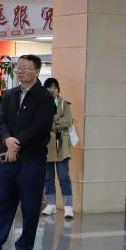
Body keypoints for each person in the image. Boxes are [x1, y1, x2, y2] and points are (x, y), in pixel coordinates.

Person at [0, 54, 55, 250]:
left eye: (26, 68)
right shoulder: (10, 94)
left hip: (31, 161)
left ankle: (23, 249)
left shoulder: (45, 98)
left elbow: (40, 127)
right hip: (7, 160)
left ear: (37, 71)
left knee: (30, 207)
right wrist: (7, 140)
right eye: (19, 67)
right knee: (1, 205)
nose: (20, 71)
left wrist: (17, 143)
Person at [41, 78, 75, 220]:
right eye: (49, 87)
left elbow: (68, 121)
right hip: (47, 144)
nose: (52, 90)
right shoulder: (41, 105)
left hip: (62, 144)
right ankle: (51, 204)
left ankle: (68, 206)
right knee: (48, 177)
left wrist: (52, 122)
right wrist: (58, 119)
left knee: (63, 176)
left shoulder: (64, 103)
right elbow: (41, 123)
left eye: (55, 87)